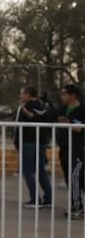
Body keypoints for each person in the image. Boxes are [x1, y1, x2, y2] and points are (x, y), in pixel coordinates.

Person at [15, 85, 55, 208]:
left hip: (28, 140)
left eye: (23, 93)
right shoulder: (43, 105)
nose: (21, 96)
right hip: (41, 140)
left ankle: (35, 199)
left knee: (28, 170)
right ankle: (48, 198)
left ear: (28, 94)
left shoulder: (27, 106)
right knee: (40, 169)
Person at [56, 84, 85, 218]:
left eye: (65, 93)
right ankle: (77, 204)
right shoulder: (62, 109)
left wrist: (68, 123)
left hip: (78, 149)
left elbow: (79, 128)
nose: (62, 96)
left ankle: (77, 207)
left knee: (76, 176)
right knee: (70, 177)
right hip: (64, 147)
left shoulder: (82, 110)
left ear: (72, 95)